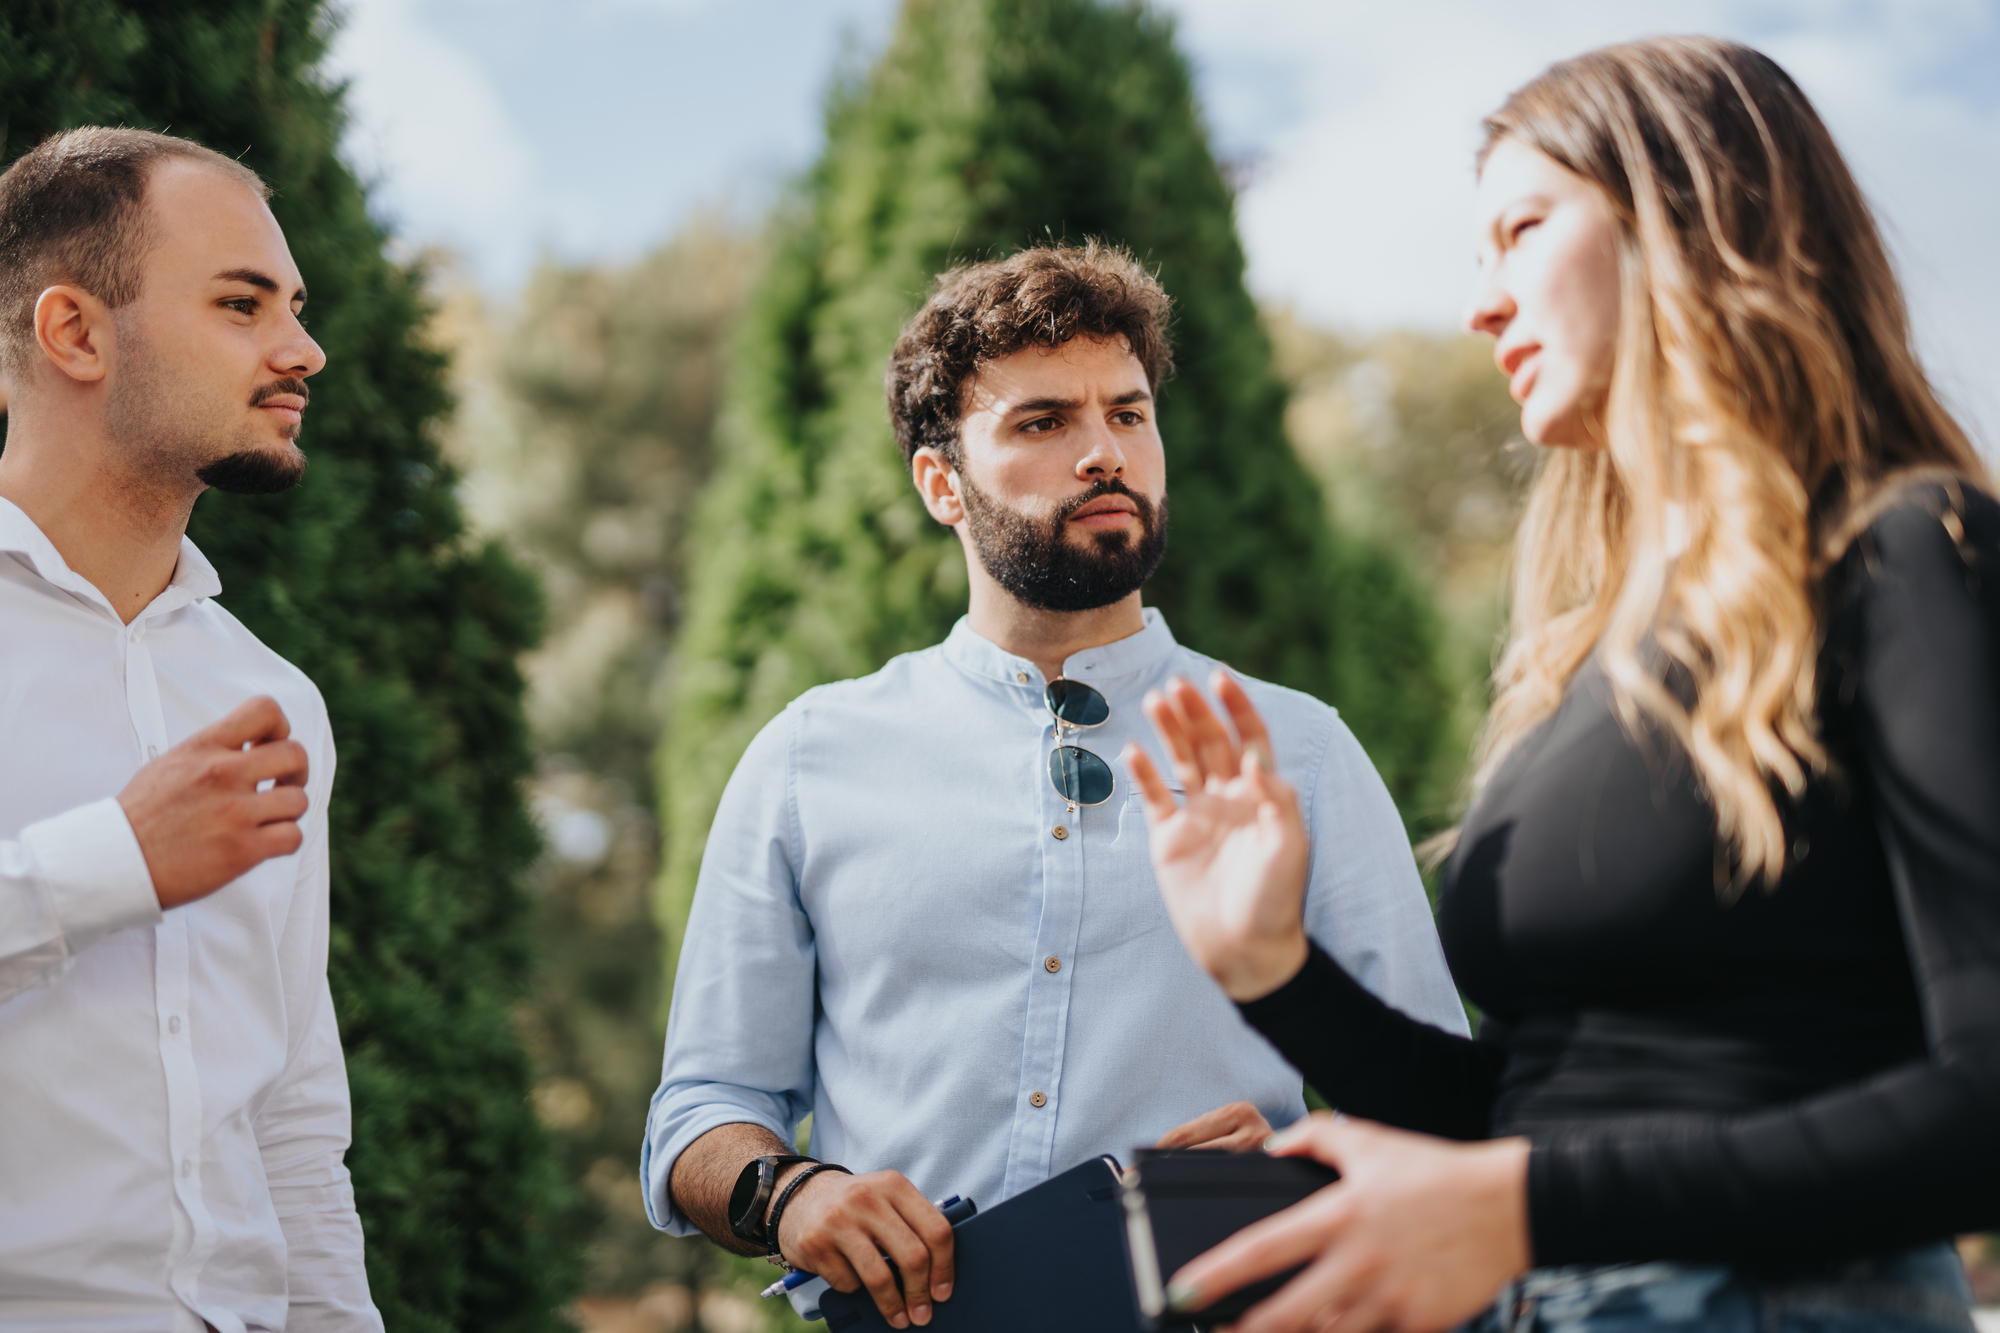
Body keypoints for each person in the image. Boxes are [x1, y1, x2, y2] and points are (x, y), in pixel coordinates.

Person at [1126, 35, 2000, 1333]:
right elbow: (1537, 1123)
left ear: (1688, 218)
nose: (1482, 303)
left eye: (1523, 227)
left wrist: (1526, 1206)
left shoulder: (1908, 551)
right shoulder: (1589, 657)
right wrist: (1276, 971)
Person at [642, 242, 1467, 1329]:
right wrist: (788, 1192)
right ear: (941, 484)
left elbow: (1444, 1118)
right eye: (1043, 423)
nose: (1102, 453)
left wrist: (1302, 1168)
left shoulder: (1299, 751)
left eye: (1127, 414)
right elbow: (699, 1114)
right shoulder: (807, 756)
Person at [0, 129, 381, 1332]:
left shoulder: (273, 698)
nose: (302, 348)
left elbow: (294, 1116)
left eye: (296, 307)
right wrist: (114, 860)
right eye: (240, 303)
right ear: (75, 333)